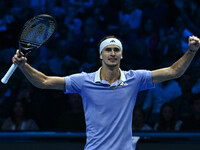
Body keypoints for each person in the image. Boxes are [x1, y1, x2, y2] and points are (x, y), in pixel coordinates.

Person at [12, 35, 200, 150]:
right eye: (108, 50)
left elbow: (174, 71)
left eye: (116, 50)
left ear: (121, 55)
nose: (112, 53)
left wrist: (191, 51)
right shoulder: (84, 81)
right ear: (100, 55)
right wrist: (23, 65)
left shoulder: (135, 78)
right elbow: (44, 82)